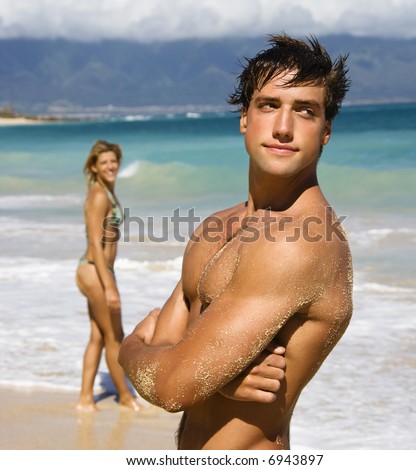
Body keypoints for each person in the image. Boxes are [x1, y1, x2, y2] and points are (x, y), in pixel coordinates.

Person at [119, 34, 353, 448]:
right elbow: (171, 353)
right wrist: (216, 376)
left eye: (305, 111)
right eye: (269, 105)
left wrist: (128, 350)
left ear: (326, 130)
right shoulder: (217, 226)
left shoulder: (296, 242)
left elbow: (170, 386)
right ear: (245, 117)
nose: (283, 128)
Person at [76, 140, 141, 411]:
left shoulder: (106, 192)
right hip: (95, 270)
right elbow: (96, 245)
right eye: (104, 162)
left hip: (96, 270)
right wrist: (110, 286)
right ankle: (125, 398)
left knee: (99, 336)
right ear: (94, 166)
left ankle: (85, 399)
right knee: (115, 336)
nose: (110, 166)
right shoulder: (98, 196)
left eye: (113, 161)